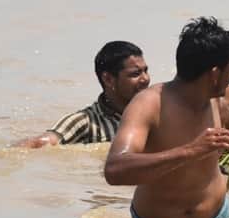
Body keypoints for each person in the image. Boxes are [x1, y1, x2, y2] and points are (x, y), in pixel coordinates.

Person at [105, 17, 229, 218]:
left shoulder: (214, 99)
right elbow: (115, 169)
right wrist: (191, 150)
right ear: (215, 74)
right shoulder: (148, 105)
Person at [16, 41, 150, 148]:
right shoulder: (84, 122)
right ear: (108, 79)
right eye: (135, 74)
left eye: (146, 71)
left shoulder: (155, 111)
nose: (145, 79)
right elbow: (38, 144)